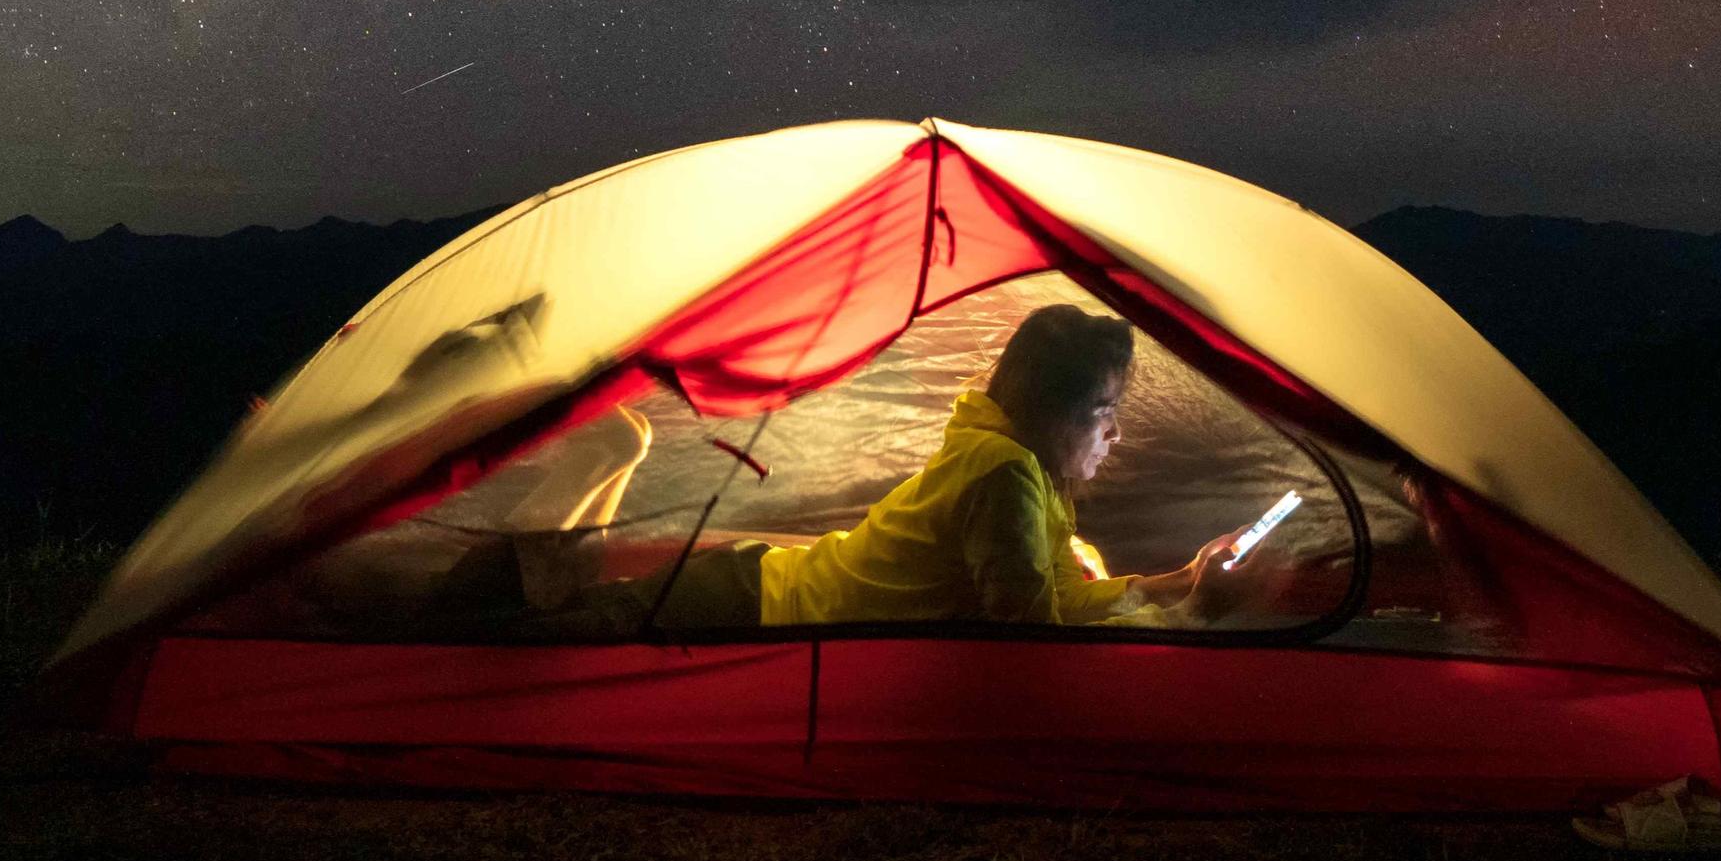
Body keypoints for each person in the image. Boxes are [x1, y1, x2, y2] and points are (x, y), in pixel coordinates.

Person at [481, 303, 1262, 635]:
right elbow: (1033, 644)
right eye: (1103, 411)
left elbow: (1057, 595)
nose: (1116, 432)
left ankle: (602, 463)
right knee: (522, 639)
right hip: (752, 607)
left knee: (560, 609)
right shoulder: (1003, 475)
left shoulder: (1015, 460)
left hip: (758, 585)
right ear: (1053, 412)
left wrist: (1176, 579)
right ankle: (585, 464)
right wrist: (1188, 614)